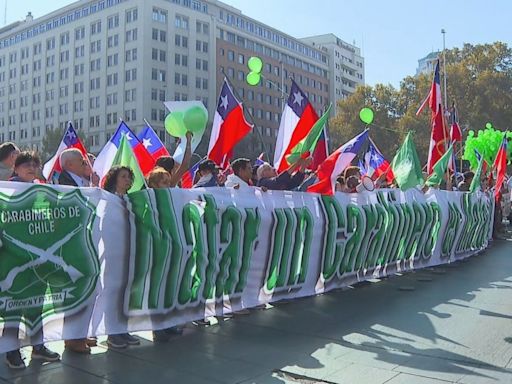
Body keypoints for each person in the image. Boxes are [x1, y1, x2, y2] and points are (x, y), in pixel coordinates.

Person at [5, 152, 60, 369]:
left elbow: (48, 219)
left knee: (36, 303)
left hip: (39, 256)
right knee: (14, 304)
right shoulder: (7, 190)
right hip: (13, 258)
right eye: (26, 164)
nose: (31, 167)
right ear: (16, 168)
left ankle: (38, 347)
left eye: (35, 165)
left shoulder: (41, 192)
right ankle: (11, 351)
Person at [55, 148, 94, 353]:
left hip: (82, 239)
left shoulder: (81, 180)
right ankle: (72, 338)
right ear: (69, 164)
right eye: (80, 160)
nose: (84, 162)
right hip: (70, 243)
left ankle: (79, 333)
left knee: (83, 288)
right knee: (73, 288)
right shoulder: (63, 183)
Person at [103, 166, 141, 349]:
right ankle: (112, 333)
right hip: (113, 253)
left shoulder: (129, 200)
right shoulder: (107, 199)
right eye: (123, 177)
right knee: (113, 293)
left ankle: (123, 329)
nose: (127, 180)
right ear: (114, 179)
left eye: (129, 177)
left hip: (129, 251)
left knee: (126, 292)